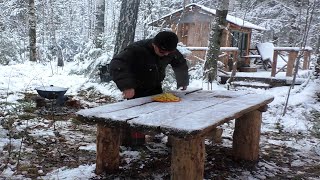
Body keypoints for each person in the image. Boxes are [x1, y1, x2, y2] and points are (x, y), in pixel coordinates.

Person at [110, 31, 189, 145]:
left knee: (157, 113)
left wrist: (183, 81)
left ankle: (155, 136)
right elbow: (117, 64)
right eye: (162, 52)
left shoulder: (168, 50)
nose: (166, 54)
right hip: (136, 89)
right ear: (154, 45)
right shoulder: (136, 50)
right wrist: (127, 86)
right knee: (137, 118)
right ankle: (136, 144)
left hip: (155, 85)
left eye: (169, 52)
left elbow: (179, 63)